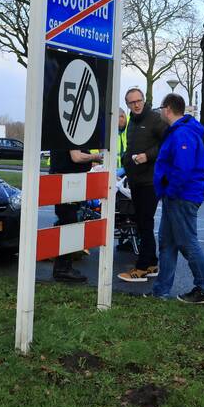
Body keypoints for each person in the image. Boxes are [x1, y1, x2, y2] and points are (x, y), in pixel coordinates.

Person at [151, 93, 204, 304]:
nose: (159, 112)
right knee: (167, 243)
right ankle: (161, 291)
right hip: (174, 197)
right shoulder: (178, 132)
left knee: (187, 243)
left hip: (181, 197)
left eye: (161, 108)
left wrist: (170, 190)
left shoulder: (182, 134)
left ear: (167, 109)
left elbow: (183, 169)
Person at [117, 88, 167, 283]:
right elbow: (131, 147)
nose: (136, 105)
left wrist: (148, 156)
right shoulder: (132, 122)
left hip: (150, 181)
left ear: (144, 100)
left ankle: (142, 267)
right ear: (128, 104)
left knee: (145, 222)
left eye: (138, 101)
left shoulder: (155, 119)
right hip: (135, 180)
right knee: (141, 222)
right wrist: (126, 161)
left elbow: (166, 143)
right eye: (132, 102)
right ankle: (153, 262)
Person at [49, 145, 104, 283]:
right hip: (67, 183)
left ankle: (63, 266)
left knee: (66, 223)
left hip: (65, 181)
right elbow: (77, 157)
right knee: (69, 224)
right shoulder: (71, 135)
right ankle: (62, 269)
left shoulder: (65, 135)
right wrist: (95, 157)